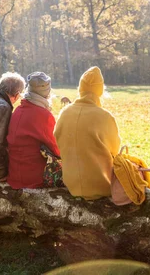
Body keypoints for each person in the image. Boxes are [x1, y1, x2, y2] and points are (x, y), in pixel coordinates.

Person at [54, 66, 121, 200]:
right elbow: (115, 151)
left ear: (80, 88)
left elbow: (57, 141)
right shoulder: (105, 117)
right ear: (100, 91)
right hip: (101, 185)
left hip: (70, 183)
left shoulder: (64, 113)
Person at [6, 72, 61, 189]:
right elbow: (57, 147)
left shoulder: (18, 110)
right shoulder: (43, 115)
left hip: (14, 174)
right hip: (33, 177)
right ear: (47, 94)